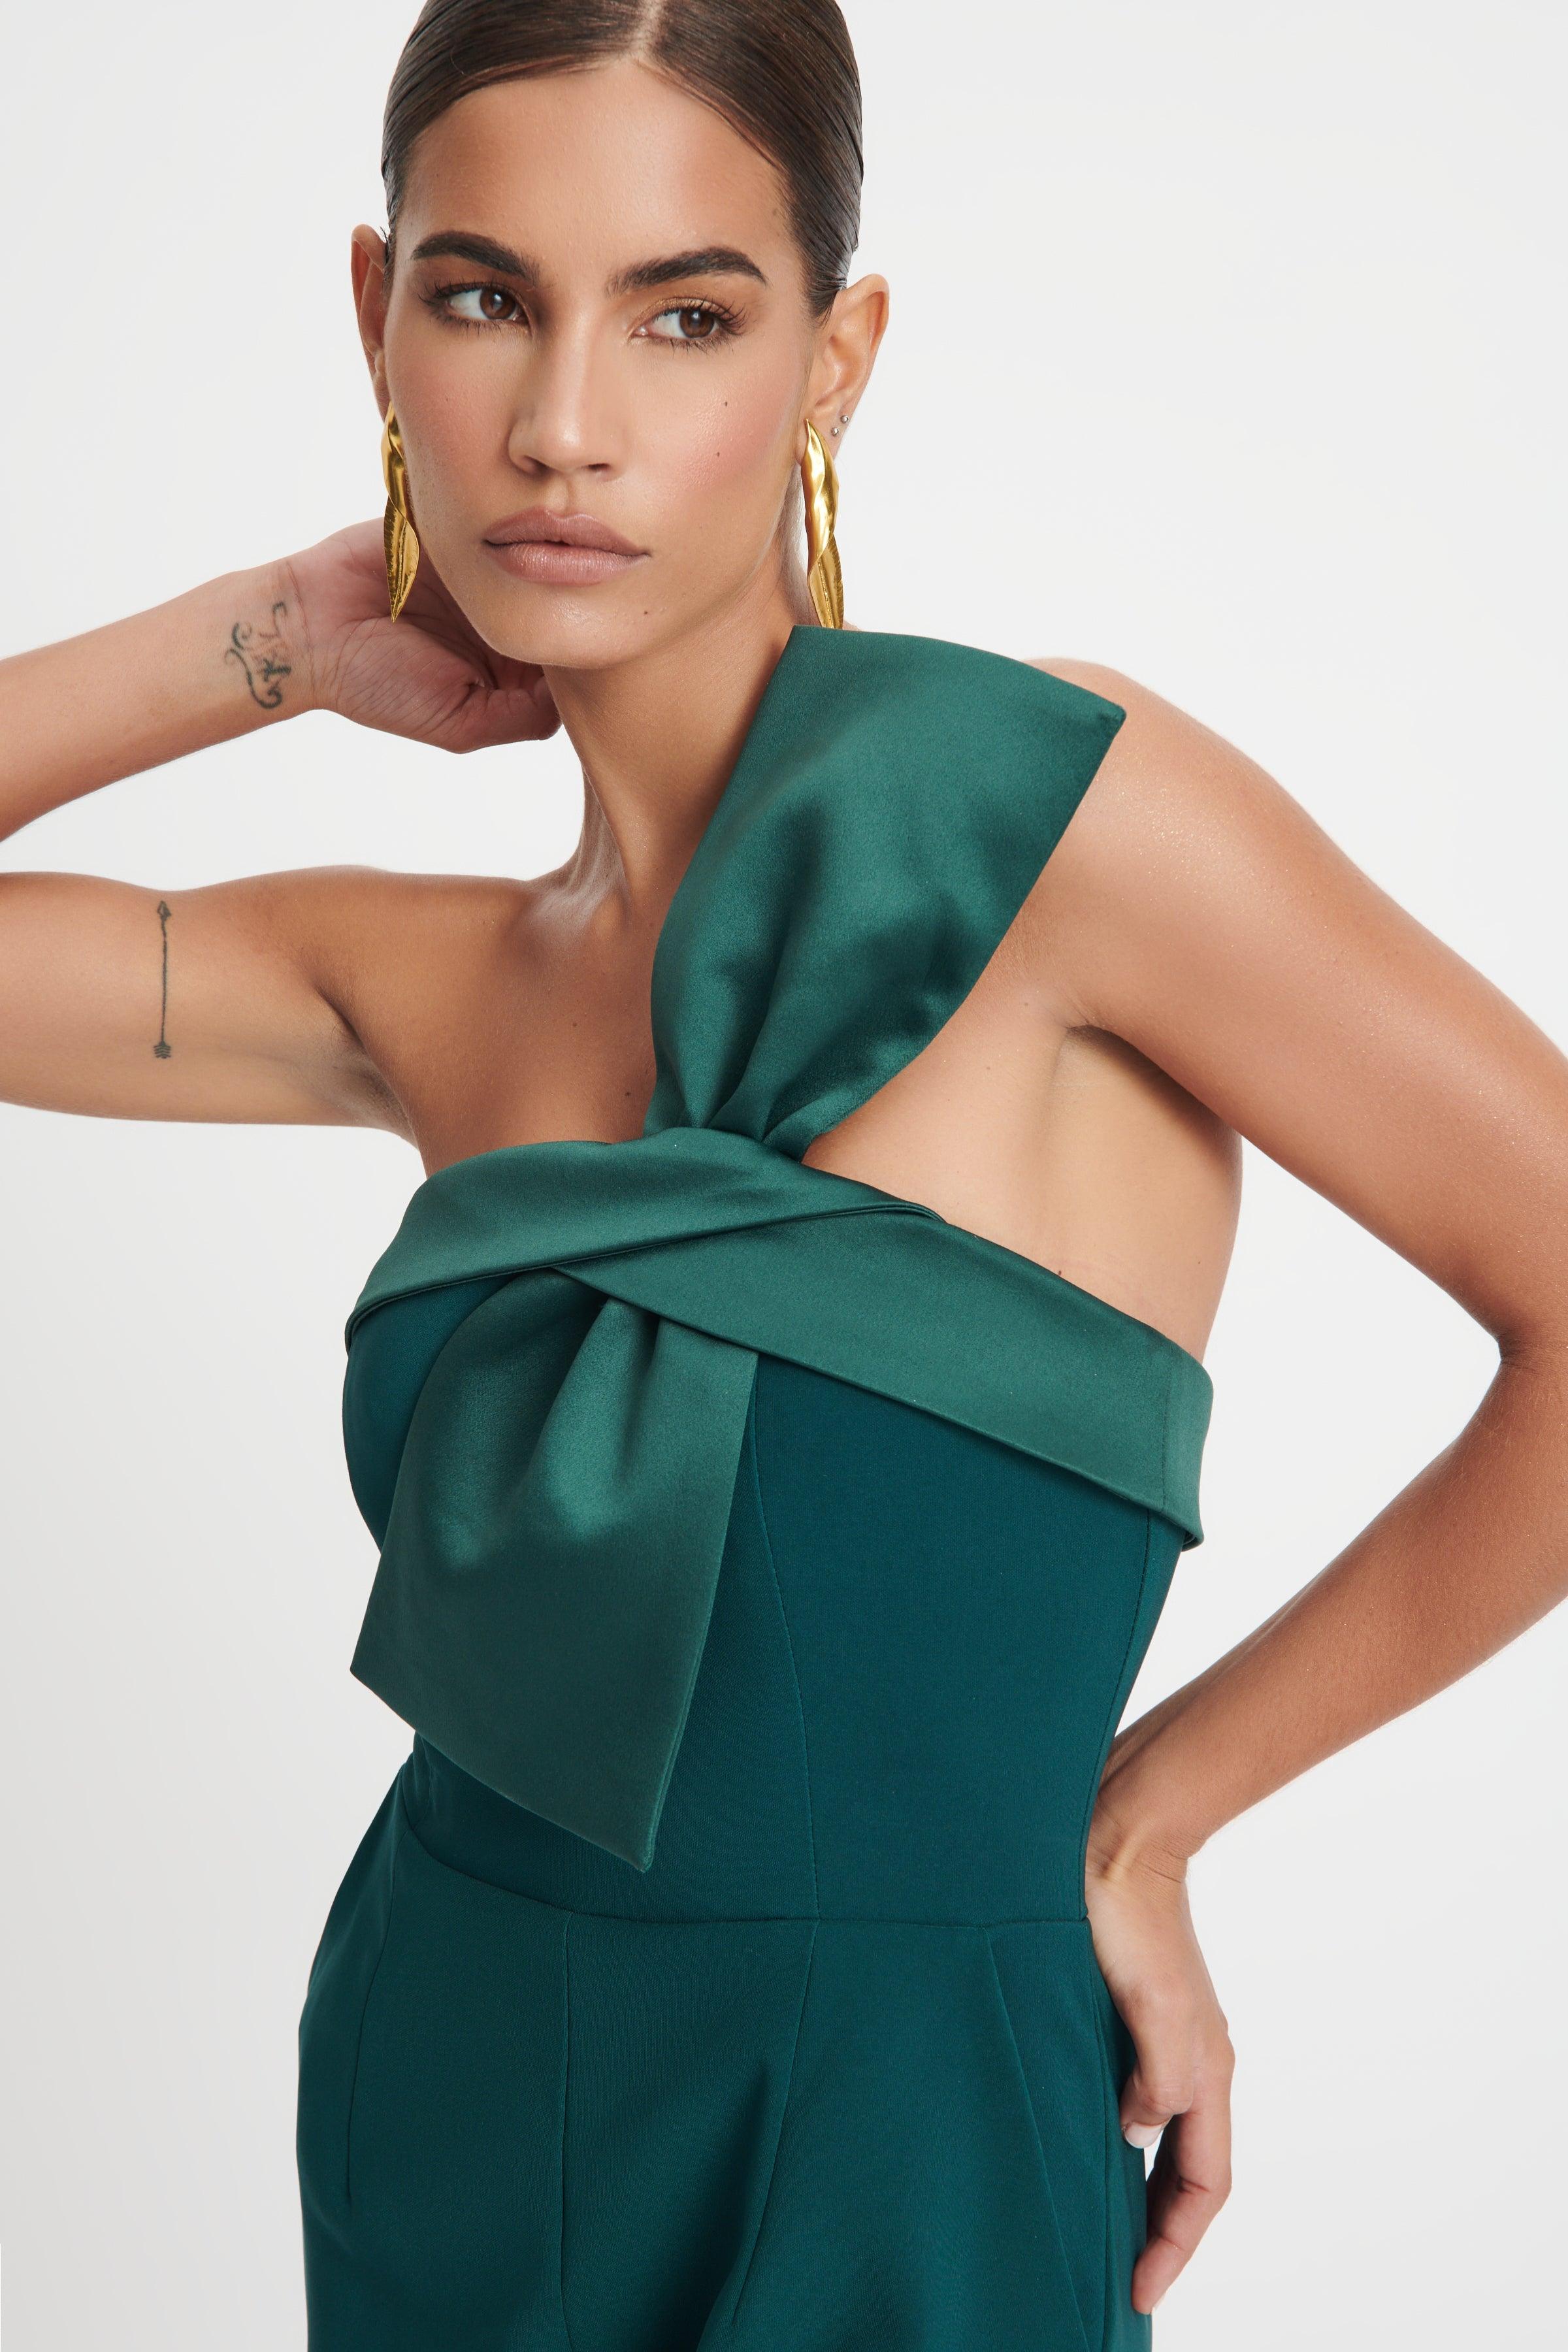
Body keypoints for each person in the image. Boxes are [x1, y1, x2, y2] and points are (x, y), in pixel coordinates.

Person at [3, 2, 1567, 2345]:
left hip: (906, 2138)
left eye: (686, 316)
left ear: (836, 361)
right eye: (485, 297)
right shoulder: (409, 980)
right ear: (378, 318)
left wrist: (1155, 1814)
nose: (564, 424)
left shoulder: (1052, 823)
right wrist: (277, 641)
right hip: (450, 2089)